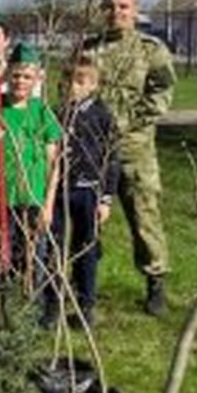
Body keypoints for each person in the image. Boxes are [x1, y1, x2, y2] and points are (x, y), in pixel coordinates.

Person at [83, 0, 176, 315]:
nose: (116, 13)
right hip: (93, 151)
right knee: (87, 217)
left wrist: (129, 122)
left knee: (144, 216)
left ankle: (155, 283)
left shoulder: (150, 50)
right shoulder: (88, 50)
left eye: (123, 7)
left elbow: (162, 93)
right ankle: (84, 284)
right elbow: (73, 90)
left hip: (134, 151)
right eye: (110, 7)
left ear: (135, 10)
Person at [0, 42, 62, 299]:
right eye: (16, 75)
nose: (20, 82)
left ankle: (28, 305)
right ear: (7, 75)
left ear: (36, 79)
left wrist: (48, 204)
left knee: (32, 256)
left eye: (27, 77)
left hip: (32, 198)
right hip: (1, 197)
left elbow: (53, 164)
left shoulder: (42, 113)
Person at [48, 54, 120, 328]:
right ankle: (51, 302)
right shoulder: (57, 113)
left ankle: (85, 302)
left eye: (80, 81)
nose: (73, 87)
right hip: (58, 190)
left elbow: (112, 158)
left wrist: (106, 198)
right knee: (54, 245)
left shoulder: (101, 116)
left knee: (85, 246)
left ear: (93, 84)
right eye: (69, 80)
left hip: (88, 191)